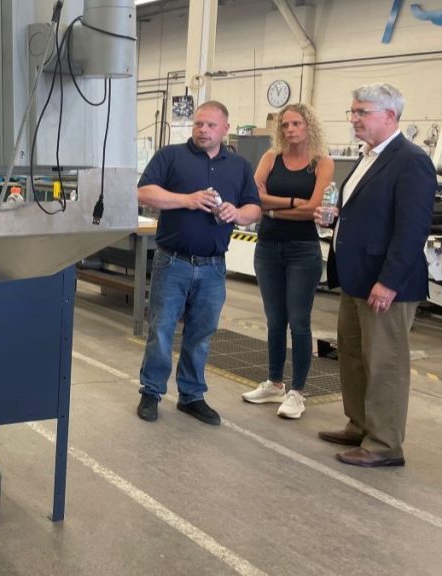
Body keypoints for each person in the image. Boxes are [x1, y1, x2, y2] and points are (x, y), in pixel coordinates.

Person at [315, 83, 435, 467]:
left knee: (385, 363)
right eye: (352, 112)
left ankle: (384, 444)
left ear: (389, 115)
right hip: (355, 277)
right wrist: (333, 219)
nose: (353, 119)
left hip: (385, 283)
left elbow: (412, 229)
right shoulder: (368, 157)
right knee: (352, 355)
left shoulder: (411, 160)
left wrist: (389, 282)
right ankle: (360, 424)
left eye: (361, 112)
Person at [136, 101, 262, 425]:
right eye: (198, 124)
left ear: (225, 129)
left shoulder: (240, 166)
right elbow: (144, 192)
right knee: (162, 330)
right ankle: (151, 392)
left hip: (214, 267)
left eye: (210, 125)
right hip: (172, 261)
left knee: (201, 333)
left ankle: (191, 395)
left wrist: (237, 213)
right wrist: (186, 200)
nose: (203, 130)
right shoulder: (171, 156)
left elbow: (255, 209)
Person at [243, 104, 334, 419]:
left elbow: (316, 208)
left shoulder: (322, 164)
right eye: (284, 125)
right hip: (268, 247)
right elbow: (254, 197)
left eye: (296, 123)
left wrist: (272, 207)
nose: (290, 130)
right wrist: (295, 203)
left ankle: (297, 392)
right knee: (274, 320)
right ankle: (275, 383)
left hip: (302, 249)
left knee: (299, 321)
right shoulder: (270, 159)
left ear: (309, 126)